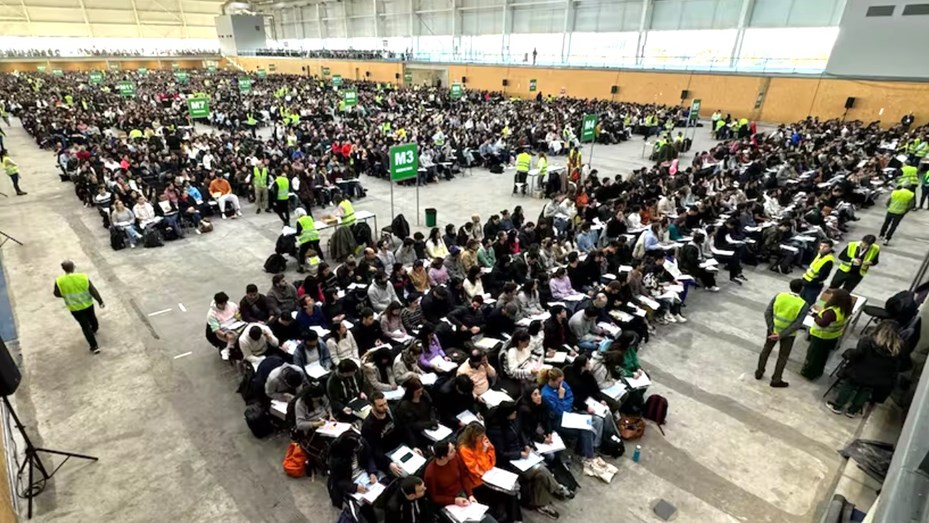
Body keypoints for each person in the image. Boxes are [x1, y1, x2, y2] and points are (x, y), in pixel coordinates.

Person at [485, 402, 568, 519]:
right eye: (513, 412)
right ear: (506, 414)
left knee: (541, 470)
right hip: (511, 461)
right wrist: (519, 454)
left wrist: (526, 445)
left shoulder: (513, 420)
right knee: (541, 470)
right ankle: (557, 489)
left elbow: (520, 433)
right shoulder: (495, 430)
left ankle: (541, 502)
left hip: (523, 453)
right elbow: (501, 454)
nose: (515, 413)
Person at [826, 321, 903, 418]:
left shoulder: (868, 341)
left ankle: (838, 406)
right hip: (877, 377)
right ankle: (853, 411)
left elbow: (858, 354)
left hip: (858, 371)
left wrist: (848, 354)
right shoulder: (896, 349)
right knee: (865, 391)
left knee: (849, 386)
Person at [457, 422, 522, 523]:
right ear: (473, 436)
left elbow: (492, 461)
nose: (483, 438)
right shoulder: (464, 449)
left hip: (491, 474)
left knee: (513, 491)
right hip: (477, 482)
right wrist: (483, 451)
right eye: (480, 436)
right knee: (506, 494)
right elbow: (478, 471)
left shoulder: (482, 439)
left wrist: (485, 457)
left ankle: (516, 520)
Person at [424, 441, 499, 523]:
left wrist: (470, 495)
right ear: (443, 457)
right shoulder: (430, 473)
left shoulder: (455, 457)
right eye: (452, 451)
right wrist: (454, 500)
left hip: (462, 494)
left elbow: (464, 476)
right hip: (447, 501)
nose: (455, 451)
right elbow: (434, 497)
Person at [755, 279, 810, 388]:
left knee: (766, 350)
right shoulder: (803, 304)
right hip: (788, 335)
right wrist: (781, 335)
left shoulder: (779, 296)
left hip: (773, 330)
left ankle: (759, 371)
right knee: (783, 357)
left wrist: (772, 329)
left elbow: (767, 312)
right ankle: (776, 379)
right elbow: (797, 324)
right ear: (802, 289)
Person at [54, 260, 105, 353]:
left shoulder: (59, 281)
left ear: (63, 269)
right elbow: (92, 290)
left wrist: (66, 293)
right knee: (92, 318)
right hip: (88, 304)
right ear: (73, 267)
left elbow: (56, 294)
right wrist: (100, 301)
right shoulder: (83, 277)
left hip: (75, 308)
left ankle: (94, 347)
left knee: (85, 326)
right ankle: (94, 328)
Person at [801, 289, 853, 379]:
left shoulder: (832, 312)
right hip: (832, 336)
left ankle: (809, 373)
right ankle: (818, 372)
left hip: (820, 336)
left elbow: (822, 323)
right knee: (823, 357)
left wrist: (816, 317)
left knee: (813, 356)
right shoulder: (845, 310)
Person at [361, 392, 408, 478]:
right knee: (404, 474)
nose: (385, 407)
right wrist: (389, 463)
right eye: (381, 405)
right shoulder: (368, 426)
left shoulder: (392, 411)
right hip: (386, 454)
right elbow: (375, 450)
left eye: (385, 403)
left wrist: (413, 446)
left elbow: (405, 428)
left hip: (400, 446)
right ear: (373, 406)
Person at [801, 240, 836, 305]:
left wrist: (813, 282)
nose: (822, 248)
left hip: (813, 285)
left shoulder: (829, 260)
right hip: (805, 280)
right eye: (821, 245)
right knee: (800, 300)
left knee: (807, 303)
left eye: (825, 247)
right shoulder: (819, 254)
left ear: (830, 248)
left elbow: (823, 275)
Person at [294, 208, 322, 272]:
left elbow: (298, 233)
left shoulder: (299, 221)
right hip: (315, 237)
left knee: (301, 253)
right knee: (318, 249)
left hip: (306, 239)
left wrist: (293, 234)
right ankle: (322, 262)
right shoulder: (309, 217)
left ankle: (302, 267)